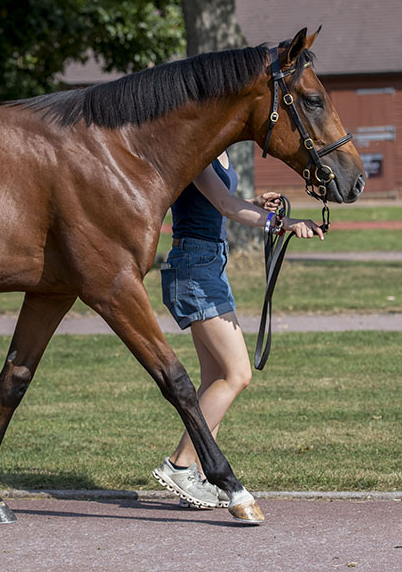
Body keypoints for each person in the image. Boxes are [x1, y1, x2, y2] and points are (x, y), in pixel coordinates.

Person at [152, 149, 324, 524]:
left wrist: (255, 203)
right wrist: (284, 223)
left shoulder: (220, 152)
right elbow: (226, 206)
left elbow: (221, 204)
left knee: (216, 379)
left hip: (211, 264)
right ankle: (180, 466)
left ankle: (192, 473)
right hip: (195, 267)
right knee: (237, 374)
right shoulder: (198, 151)